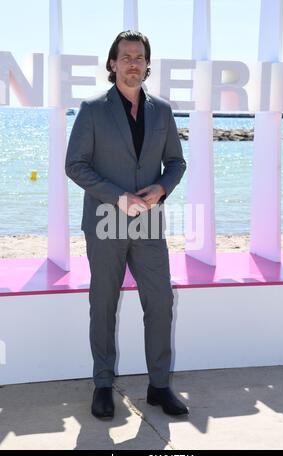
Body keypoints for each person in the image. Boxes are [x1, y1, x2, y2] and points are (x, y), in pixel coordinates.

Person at [65, 31, 187, 419]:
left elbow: (177, 163)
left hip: (148, 223)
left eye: (140, 57)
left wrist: (162, 189)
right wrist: (118, 197)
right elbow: (75, 165)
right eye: (126, 56)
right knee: (103, 303)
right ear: (112, 64)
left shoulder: (163, 111)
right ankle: (103, 384)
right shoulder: (92, 109)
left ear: (148, 65)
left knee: (162, 301)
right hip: (104, 220)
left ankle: (159, 385)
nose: (133, 63)